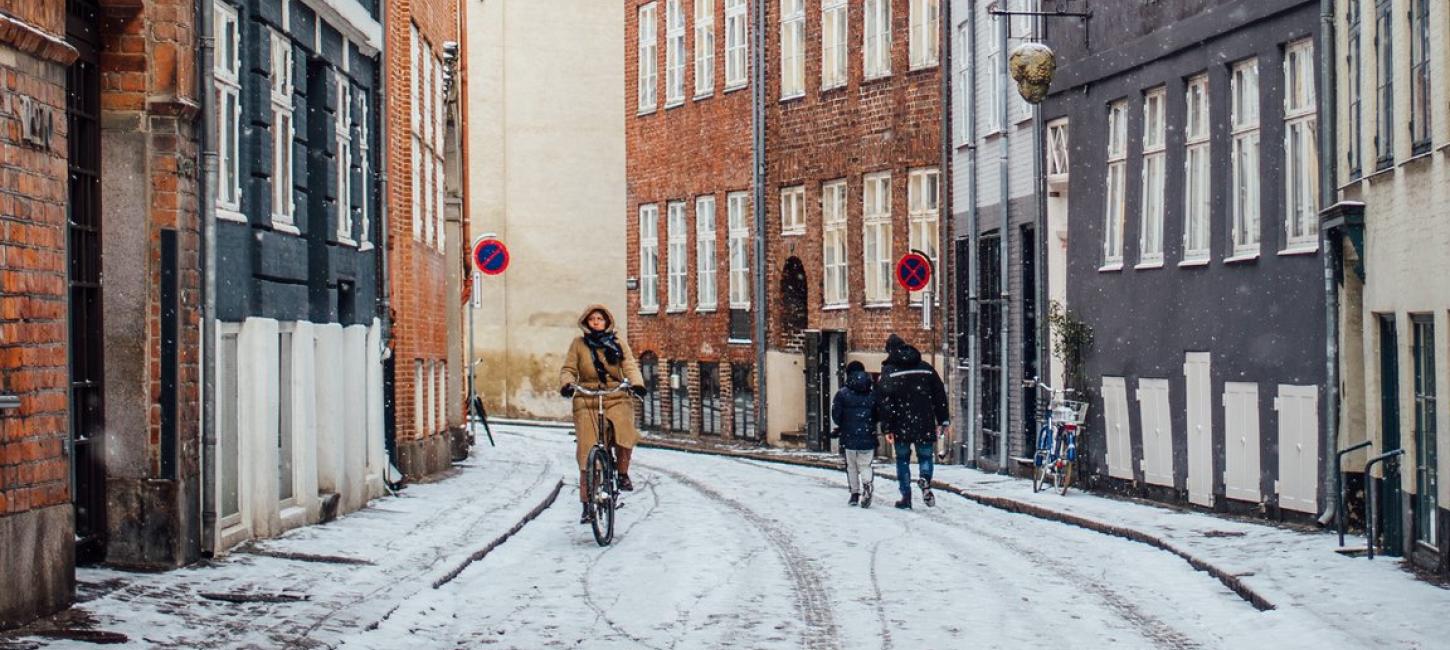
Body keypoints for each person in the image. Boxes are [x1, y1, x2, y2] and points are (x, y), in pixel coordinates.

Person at [560, 305, 648, 524]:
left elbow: (629, 365)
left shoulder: (618, 343)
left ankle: (622, 472)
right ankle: (587, 504)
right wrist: (568, 384)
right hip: (587, 398)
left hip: (616, 395)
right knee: (586, 451)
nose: (596, 322)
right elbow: (569, 369)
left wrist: (636, 384)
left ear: (607, 321)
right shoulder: (578, 345)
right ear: (586, 322)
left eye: (600, 318)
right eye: (592, 319)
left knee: (625, 433)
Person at [875, 334, 950, 510]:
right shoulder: (925, 368)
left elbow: (884, 402)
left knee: (902, 459)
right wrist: (943, 419)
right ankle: (925, 479)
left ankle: (906, 496)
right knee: (925, 455)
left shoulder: (890, 372)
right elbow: (939, 395)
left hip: (900, 423)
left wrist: (887, 428)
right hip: (924, 420)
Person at [831, 361, 879, 508]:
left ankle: (854, 493)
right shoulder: (872, 393)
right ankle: (867, 483)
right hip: (868, 435)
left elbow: (836, 415)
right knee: (865, 464)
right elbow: (878, 413)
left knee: (851, 465)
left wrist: (843, 425)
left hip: (849, 435)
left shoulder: (842, 394)